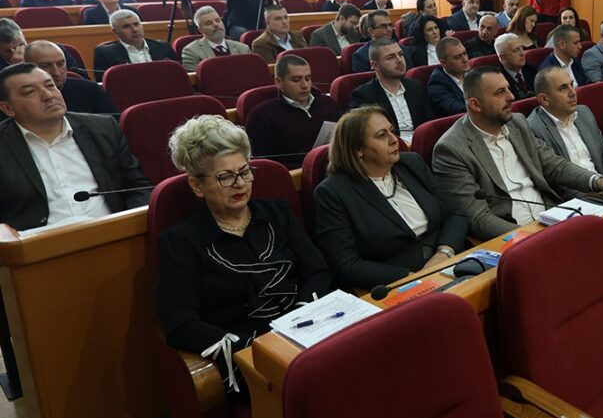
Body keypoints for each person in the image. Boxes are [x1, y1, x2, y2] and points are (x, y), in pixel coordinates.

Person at [155, 115, 332, 394]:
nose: (240, 184)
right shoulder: (180, 241)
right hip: (246, 354)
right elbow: (180, 323)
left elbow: (317, 270)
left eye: (245, 171)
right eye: (225, 177)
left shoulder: (277, 213)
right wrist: (246, 348)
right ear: (197, 186)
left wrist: (302, 317)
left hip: (306, 328)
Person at [432, 66, 603, 240]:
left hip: (552, 216)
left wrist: (599, 181)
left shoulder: (517, 123)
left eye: (508, 89)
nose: (511, 97)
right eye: (500, 92)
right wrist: (532, 238)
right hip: (513, 234)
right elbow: (478, 218)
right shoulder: (451, 149)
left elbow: (553, 164)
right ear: (475, 104)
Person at [313, 106, 468, 290]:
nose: (394, 140)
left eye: (392, 131)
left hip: (448, 260)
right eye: (381, 135)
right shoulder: (333, 192)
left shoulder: (411, 163)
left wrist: (444, 253)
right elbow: (346, 264)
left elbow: (455, 213)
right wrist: (413, 279)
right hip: (396, 283)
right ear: (358, 149)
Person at [0, 63, 151, 231]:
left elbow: (137, 186)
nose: (48, 95)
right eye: (30, 92)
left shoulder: (103, 128)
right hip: (38, 243)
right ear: (8, 108)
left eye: (50, 86)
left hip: (115, 232)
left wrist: (132, 226)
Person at [245, 54, 340, 169]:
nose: (305, 85)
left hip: (334, 167)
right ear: (278, 82)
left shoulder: (327, 103)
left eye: (308, 78)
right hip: (292, 175)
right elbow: (263, 163)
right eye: (296, 80)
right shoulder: (261, 115)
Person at [527, 65, 603, 181]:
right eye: (563, 88)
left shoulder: (584, 113)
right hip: (578, 191)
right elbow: (555, 178)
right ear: (544, 99)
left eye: (571, 85)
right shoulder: (533, 129)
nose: (573, 92)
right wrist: (599, 187)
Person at [347, 39, 432, 143]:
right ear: (375, 65)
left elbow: (430, 124)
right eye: (391, 57)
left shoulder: (417, 87)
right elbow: (358, 135)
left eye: (400, 54)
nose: (399, 60)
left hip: (421, 143)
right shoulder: (364, 95)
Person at [23, 42, 116, 115]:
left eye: (60, 64)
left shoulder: (91, 90)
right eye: (45, 66)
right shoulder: (21, 97)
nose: (56, 72)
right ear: (27, 67)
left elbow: (113, 126)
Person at [93, 10, 177, 77]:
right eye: (126, 26)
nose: (134, 30)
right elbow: (106, 83)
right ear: (115, 31)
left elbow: (176, 74)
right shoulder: (105, 54)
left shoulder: (163, 47)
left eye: (136, 24)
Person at [181, 6, 250, 72]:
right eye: (208, 23)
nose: (216, 25)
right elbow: (196, 78)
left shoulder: (243, 49)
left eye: (218, 20)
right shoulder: (191, 51)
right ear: (200, 30)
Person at [427, 38, 469, 117]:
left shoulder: (473, 74)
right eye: (457, 57)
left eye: (465, 53)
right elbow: (458, 110)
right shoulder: (437, 84)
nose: (465, 59)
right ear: (443, 63)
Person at [495, 33, 536, 100]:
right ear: (503, 58)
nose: (522, 53)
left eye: (521, 48)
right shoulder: (497, 80)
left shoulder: (531, 69)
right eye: (515, 50)